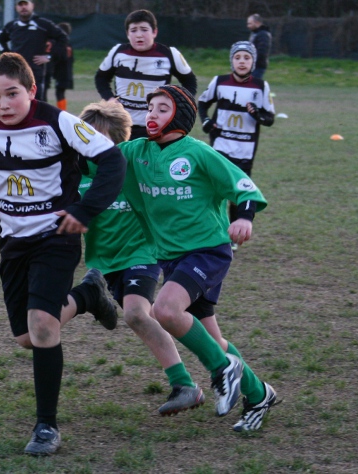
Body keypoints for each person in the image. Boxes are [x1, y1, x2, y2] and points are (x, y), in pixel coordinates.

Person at [0, 52, 126, 455]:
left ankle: (46, 427)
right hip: (13, 243)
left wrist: (83, 210)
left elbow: (112, 160)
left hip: (56, 236)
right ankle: (88, 295)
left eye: (12, 94)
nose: (3, 104)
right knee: (26, 337)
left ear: (32, 90)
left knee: (41, 326)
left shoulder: (59, 122)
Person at [119, 84, 279, 432]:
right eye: (149, 108)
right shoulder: (136, 152)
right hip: (172, 258)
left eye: (162, 108)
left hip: (207, 251)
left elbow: (242, 184)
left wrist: (243, 217)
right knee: (214, 341)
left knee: (164, 310)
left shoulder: (197, 152)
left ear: (181, 115)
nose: (151, 114)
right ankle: (258, 393)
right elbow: (97, 161)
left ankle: (222, 369)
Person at [78, 100, 205, 415]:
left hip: (142, 252)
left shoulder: (130, 165)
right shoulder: (74, 172)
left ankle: (185, 384)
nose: (91, 147)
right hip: (106, 262)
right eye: (86, 138)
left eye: (100, 140)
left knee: (136, 314)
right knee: (132, 316)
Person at [198, 41, 275, 250]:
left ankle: (233, 234)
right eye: (238, 57)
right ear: (232, 60)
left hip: (245, 149)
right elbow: (203, 103)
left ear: (253, 62)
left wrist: (257, 114)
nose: (242, 62)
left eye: (247, 58)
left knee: (238, 191)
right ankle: (211, 230)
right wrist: (206, 121)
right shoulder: (220, 82)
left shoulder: (260, 86)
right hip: (221, 145)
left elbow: (269, 119)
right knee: (213, 189)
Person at [95, 9, 196, 140]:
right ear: (127, 34)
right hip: (121, 125)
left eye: (144, 29)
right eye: (133, 30)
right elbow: (101, 78)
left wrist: (178, 105)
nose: (139, 35)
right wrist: (109, 98)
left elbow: (190, 82)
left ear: (154, 32)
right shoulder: (118, 52)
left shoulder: (169, 54)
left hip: (154, 125)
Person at [0, 0, 67, 103]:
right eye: (20, 5)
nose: (23, 7)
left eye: (26, 4)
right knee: (17, 100)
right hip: (16, 71)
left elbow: (62, 38)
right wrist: (7, 55)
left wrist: (49, 56)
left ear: (32, 6)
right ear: (16, 7)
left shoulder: (43, 24)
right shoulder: (12, 26)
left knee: (36, 101)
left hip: (36, 71)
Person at [44, 22, 74, 111]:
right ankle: (62, 111)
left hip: (62, 70)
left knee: (58, 92)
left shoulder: (59, 44)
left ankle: (62, 112)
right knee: (60, 92)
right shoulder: (68, 44)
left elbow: (60, 57)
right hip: (65, 70)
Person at [247, 14, 272, 80]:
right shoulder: (255, 33)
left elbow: (262, 52)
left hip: (257, 66)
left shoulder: (263, 34)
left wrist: (252, 62)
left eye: (250, 23)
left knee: (253, 85)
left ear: (257, 23)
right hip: (252, 65)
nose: (248, 26)